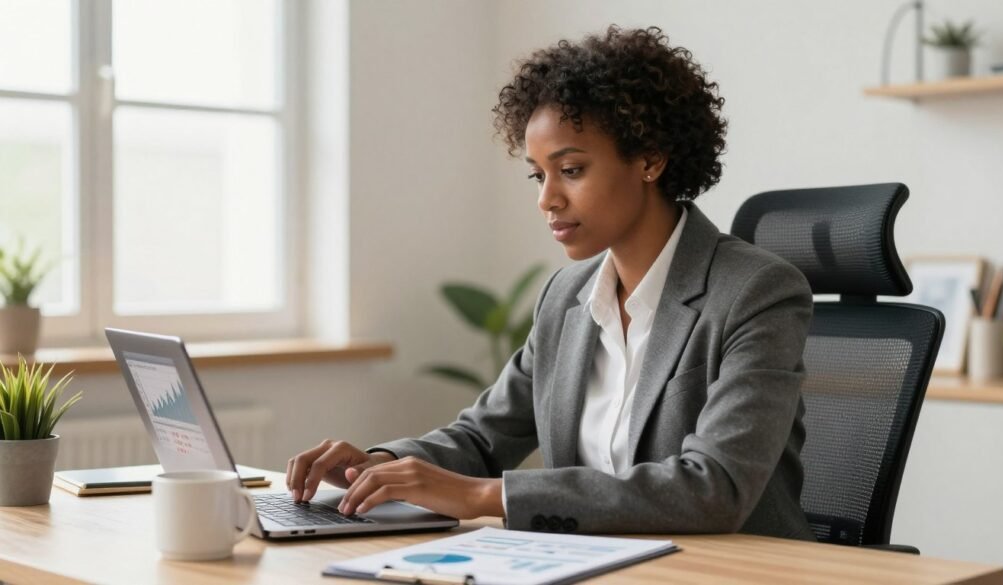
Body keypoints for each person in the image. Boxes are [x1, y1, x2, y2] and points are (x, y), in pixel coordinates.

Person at [286, 25, 815, 539]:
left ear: (650, 158)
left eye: (572, 170)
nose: (547, 199)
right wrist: (379, 465)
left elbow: (714, 487)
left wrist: (482, 496)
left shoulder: (757, 291)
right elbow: (482, 436)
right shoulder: (567, 296)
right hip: (594, 563)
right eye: (539, 175)